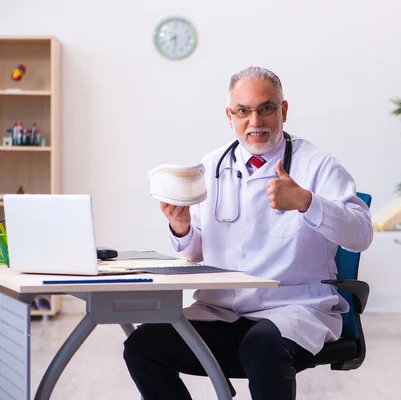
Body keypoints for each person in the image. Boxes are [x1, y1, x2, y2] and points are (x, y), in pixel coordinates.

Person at [123, 66, 373, 400]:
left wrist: (306, 201)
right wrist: (181, 226)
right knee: (141, 346)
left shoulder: (317, 165)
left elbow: (361, 234)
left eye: (266, 108)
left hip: (292, 309)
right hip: (221, 310)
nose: (254, 121)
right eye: (243, 111)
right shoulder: (210, 166)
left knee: (262, 346)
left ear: (283, 110)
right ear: (230, 116)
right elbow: (193, 252)